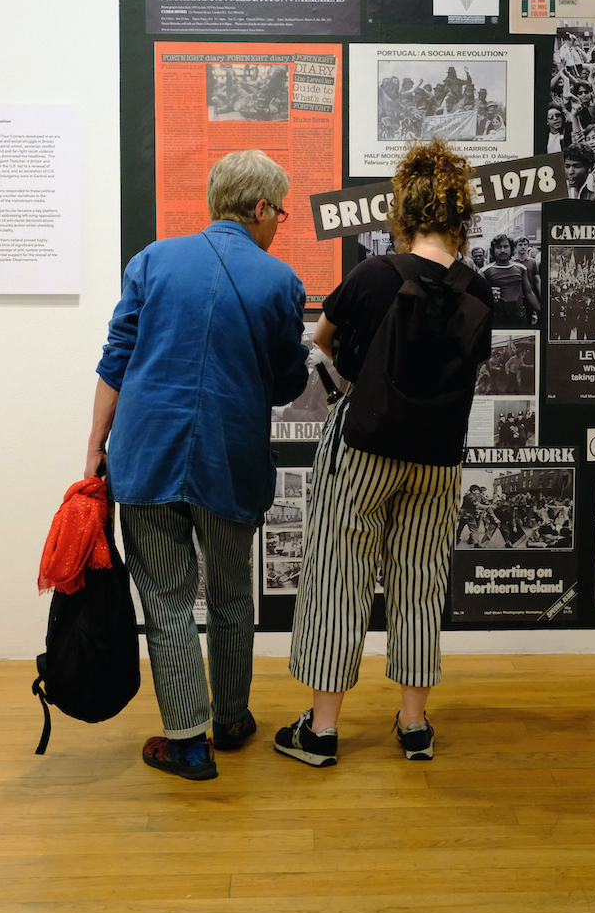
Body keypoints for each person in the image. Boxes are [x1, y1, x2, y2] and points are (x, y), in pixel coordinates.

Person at [86, 150, 308, 780]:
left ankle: (186, 742)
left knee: (166, 596)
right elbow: (287, 384)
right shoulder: (280, 282)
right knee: (234, 593)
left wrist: (95, 450)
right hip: (228, 459)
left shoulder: (152, 261)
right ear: (261, 208)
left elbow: (115, 364)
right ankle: (232, 721)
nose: (277, 228)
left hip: (146, 451)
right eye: (280, 214)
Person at [275, 138, 494, 767]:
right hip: (438, 458)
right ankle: (415, 724)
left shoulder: (374, 275)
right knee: (420, 582)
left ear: (404, 210)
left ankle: (321, 731)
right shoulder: (481, 290)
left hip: (364, 449)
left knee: (340, 578)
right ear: (461, 217)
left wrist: (348, 387)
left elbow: (321, 346)